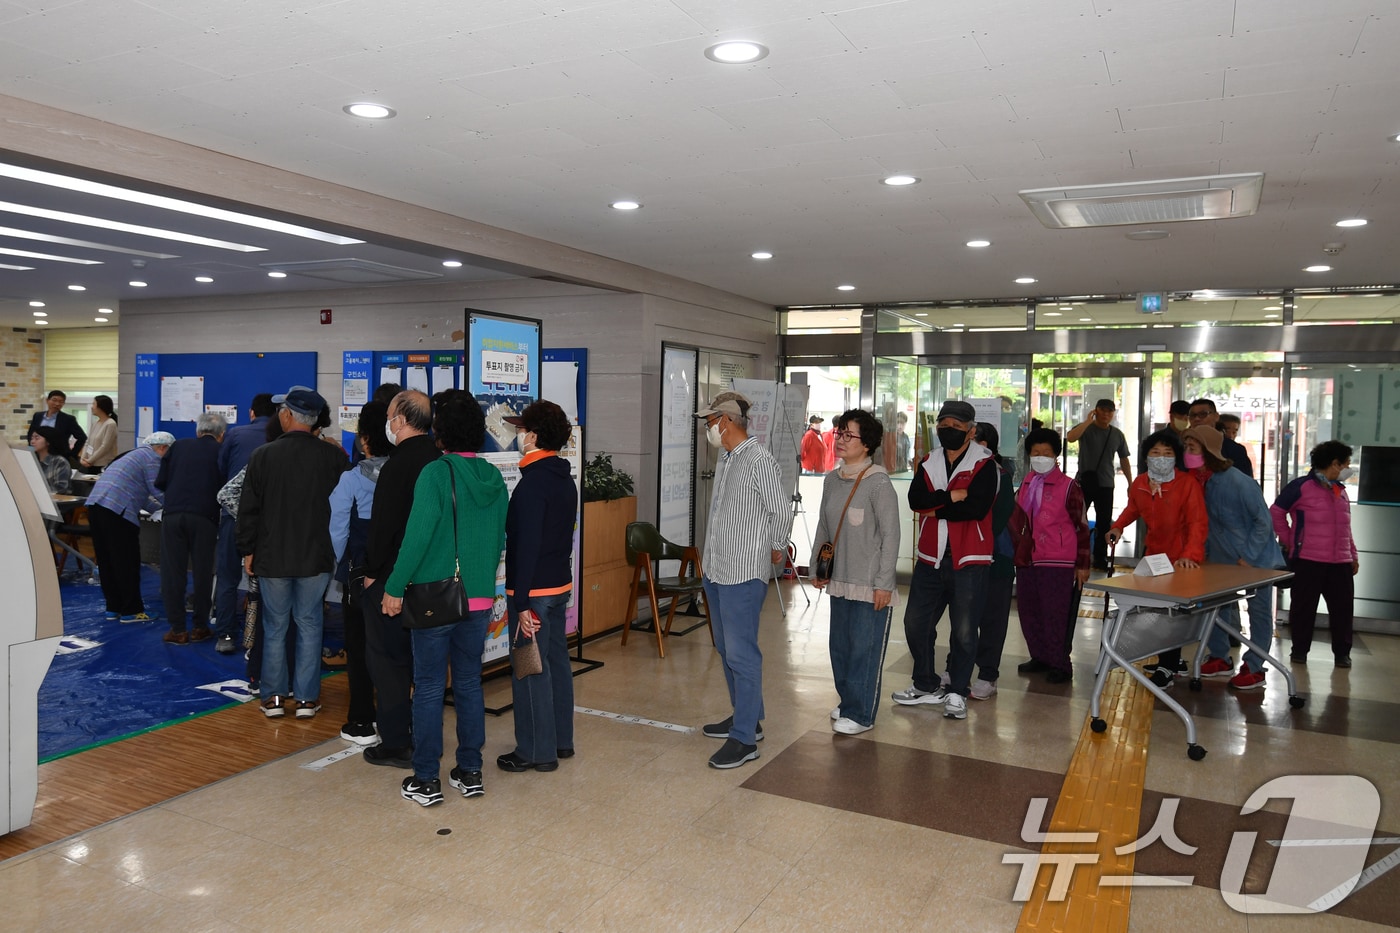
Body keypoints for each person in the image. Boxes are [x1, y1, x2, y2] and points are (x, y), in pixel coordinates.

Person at [382, 389, 508, 806]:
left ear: (440, 431)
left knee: (430, 687)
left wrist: (394, 587)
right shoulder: (493, 478)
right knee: (469, 683)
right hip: (479, 599)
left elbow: (416, 540)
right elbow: (497, 540)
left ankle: (426, 779)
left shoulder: (436, 474)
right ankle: (470, 771)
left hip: (436, 598)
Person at [237, 385, 347, 720]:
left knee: (275, 626)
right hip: (317, 556)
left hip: (272, 556)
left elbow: (249, 510)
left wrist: (248, 550)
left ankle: (273, 698)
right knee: (310, 624)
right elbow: (344, 510)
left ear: (286, 415)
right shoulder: (333, 457)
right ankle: (306, 700)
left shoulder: (263, 455)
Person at [695, 392, 789, 769]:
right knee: (725, 648)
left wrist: (777, 546)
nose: (708, 428)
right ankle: (748, 716)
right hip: (716, 570)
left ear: (727, 421)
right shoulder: (727, 457)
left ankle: (745, 739)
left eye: (710, 421)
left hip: (742, 573)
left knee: (741, 653)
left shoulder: (758, 459)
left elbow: (780, 510)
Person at [893, 400, 997, 722]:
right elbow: (915, 501)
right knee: (915, 623)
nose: (948, 430)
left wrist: (935, 506)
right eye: (943, 425)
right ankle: (926, 684)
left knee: (964, 632)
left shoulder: (985, 463)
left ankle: (957, 691)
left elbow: (976, 508)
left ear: (971, 431)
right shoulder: (929, 461)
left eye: (956, 426)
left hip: (970, 559)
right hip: (930, 558)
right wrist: (952, 496)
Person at [359, 388, 441, 768]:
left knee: (388, 662)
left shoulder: (396, 466)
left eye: (390, 416)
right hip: (434, 579)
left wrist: (372, 574)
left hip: (393, 579)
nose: (387, 424)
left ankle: (395, 742)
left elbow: (383, 529)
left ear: (401, 421)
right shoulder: (439, 461)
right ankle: (425, 739)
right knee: (424, 666)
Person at [499, 400, 578, 771]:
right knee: (556, 664)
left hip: (533, 593)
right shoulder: (562, 477)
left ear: (533, 436)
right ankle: (561, 741)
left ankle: (535, 751)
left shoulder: (532, 484)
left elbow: (527, 545)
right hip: (558, 586)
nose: (518, 435)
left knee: (530, 669)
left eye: (521, 430)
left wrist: (521, 602)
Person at [811, 409, 899, 734]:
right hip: (839, 579)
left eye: (849, 435)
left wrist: (884, 583)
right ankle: (849, 700)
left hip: (869, 583)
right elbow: (824, 526)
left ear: (867, 444)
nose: (841, 439)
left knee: (864, 649)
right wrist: (817, 566)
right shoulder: (832, 480)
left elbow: (891, 536)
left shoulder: (878, 483)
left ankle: (861, 713)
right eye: (840, 433)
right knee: (840, 648)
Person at [1104, 429, 1208, 688]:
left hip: (1180, 558)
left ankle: (1167, 666)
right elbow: (1132, 509)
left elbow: (1197, 523)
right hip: (1154, 555)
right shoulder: (1141, 482)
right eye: (1156, 452)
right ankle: (1171, 660)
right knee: (1158, 611)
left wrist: (1190, 555)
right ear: (1147, 456)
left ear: (1176, 457)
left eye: (1168, 453)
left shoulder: (1187, 484)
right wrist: (1117, 527)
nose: (1161, 458)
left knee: (1171, 615)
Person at [1183, 425, 1285, 690]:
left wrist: (1248, 556)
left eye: (1192, 447)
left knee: (1259, 612)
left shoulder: (1239, 482)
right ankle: (1220, 657)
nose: (1187, 453)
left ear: (1208, 451)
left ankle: (1255, 666)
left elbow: (1263, 522)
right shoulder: (1198, 481)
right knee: (1216, 608)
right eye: (1187, 447)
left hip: (1255, 561)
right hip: (1220, 559)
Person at [329, 400, 391, 746]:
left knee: (359, 646)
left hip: (359, 575)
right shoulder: (406, 474)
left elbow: (338, 531)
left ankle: (362, 720)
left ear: (364, 439)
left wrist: (340, 566)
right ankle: (395, 717)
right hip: (397, 573)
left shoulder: (351, 479)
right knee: (392, 647)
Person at [1011, 427, 1090, 684]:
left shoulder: (1069, 486)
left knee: (1054, 613)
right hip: (1028, 559)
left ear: (1056, 455)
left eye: (1046, 453)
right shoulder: (1026, 483)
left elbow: (1081, 526)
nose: (1040, 457)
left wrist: (1083, 564)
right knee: (1029, 610)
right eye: (1036, 453)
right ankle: (1040, 656)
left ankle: (1060, 663)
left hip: (1058, 560)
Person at [1271, 440, 1359, 668]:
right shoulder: (1301, 487)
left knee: (1343, 610)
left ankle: (1342, 653)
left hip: (1340, 562)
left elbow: (1345, 527)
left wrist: (1353, 554)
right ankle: (1300, 650)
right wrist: (1290, 540)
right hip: (1308, 560)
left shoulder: (1340, 491)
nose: (1348, 468)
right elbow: (1276, 512)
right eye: (1346, 463)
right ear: (1335, 463)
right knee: (1303, 608)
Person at [155, 412, 227, 645]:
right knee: (203, 572)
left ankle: (177, 630)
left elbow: (161, 482)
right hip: (205, 516)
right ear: (221, 435)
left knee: (172, 572)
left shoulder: (178, 446)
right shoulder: (222, 451)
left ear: (198, 431)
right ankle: (200, 627)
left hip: (173, 514)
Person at [212, 393, 275, 654]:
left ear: (251, 413)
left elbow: (221, 469)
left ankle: (226, 635)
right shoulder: (278, 439)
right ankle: (261, 639)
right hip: (266, 522)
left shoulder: (235, 434)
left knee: (227, 577)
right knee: (269, 582)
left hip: (233, 516)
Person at [85, 433, 172, 623]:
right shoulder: (152, 458)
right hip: (117, 510)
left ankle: (113, 607)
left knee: (107, 560)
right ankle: (131, 611)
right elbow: (158, 489)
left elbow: (140, 494)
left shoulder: (133, 455)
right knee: (126, 561)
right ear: (163, 448)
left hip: (96, 506)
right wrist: (177, 506)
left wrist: (159, 509)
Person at [969, 421, 1016, 698]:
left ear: (984, 445)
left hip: (995, 558)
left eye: (972, 439)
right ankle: (956, 666)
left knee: (992, 620)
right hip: (967, 558)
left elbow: (997, 520)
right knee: (964, 617)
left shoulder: (1001, 475)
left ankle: (988, 674)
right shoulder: (962, 472)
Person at [1065, 398, 1132, 571]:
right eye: (1102, 410)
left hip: (1106, 484)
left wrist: (1130, 482)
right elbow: (1070, 438)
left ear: (1113, 413)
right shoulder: (1086, 428)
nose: (1106, 414)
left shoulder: (1117, 434)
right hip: (1084, 482)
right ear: (1096, 411)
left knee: (1104, 523)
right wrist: (1088, 421)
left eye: (1110, 411)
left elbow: (1124, 459)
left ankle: (1100, 558)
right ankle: (1074, 554)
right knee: (1078, 519)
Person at [1188, 399, 1252, 477]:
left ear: (1216, 416)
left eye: (1203, 414)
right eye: (1192, 415)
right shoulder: (1183, 447)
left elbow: (1244, 481)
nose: (1197, 419)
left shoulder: (1234, 449)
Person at [28, 390, 86, 462]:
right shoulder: (38, 416)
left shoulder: (68, 419)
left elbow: (82, 437)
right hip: (38, 455)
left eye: (61, 401)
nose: (57, 404)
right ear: (47, 400)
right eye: (54, 400)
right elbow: (30, 433)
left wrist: (72, 454)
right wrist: (32, 449)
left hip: (58, 456)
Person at [28, 426, 72, 495]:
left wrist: (36, 490)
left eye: (37, 438)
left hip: (56, 500)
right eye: (32, 438)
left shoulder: (60, 462)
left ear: (48, 441)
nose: (32, 442)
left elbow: (61, 488)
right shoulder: (32, 460)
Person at [79, 395, 118, 470]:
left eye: (94, 404)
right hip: (89, 463)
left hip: (102, 465)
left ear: (101, 407)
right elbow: (87, 442)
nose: (92, 407)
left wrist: (90, 460)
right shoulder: (95, 423)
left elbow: (105, 447)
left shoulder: (110, 424)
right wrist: (82, 458)